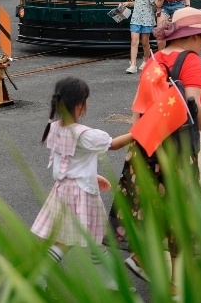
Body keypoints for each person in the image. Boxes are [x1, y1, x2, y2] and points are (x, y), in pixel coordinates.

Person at [109, 7, 201, 281]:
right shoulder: (191, 60)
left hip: (147, 144)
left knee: (152, 203)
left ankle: (143, 257)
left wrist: (137, 139)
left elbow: (138, 106)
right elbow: (191, 103)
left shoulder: (154, 60)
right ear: (193, 37)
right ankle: (174, 280)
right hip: (178, 148)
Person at [31, 77, 132, 282]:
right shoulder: (84, 134)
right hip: (81, 195)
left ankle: (110, 283)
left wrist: (93, 176)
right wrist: (139, 131)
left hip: (64, 190)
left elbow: (67, 163)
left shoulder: (53, 128)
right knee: (68, 241)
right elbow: (113, 145)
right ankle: (37, 279)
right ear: (79, 105)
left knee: (97, 238)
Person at [121, 0, 156, 74]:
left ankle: (146, 60)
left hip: (147, 20)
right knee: (134, 42)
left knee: (145, 42)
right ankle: (133, 64)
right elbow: (138, 3)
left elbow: (154, 5)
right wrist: (128, 3)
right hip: (136, 18)